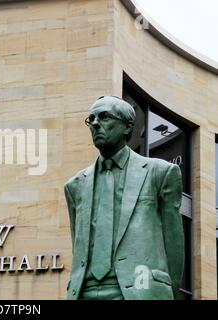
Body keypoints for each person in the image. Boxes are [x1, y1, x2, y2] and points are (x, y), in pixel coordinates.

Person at [64, 96, 184, 300]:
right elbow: (78, 246)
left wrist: (164, 290)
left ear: (127, 127)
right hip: (84, 292)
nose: (94, 123)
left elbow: (173, 242)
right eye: (90, 119)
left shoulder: (160, 173)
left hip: (139, 291)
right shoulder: (75, 186)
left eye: (103, 117)